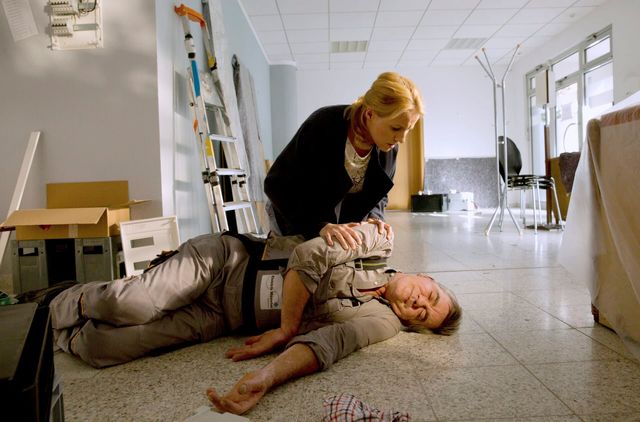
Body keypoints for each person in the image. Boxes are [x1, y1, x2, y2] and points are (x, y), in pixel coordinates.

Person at [46, 222, 461, 412]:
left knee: (105, 347)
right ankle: (59, 304)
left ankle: (69, 333)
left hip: (222, 317)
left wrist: (265, 378)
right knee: (131, 305)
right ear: (427, 277)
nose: (419, 304)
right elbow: (309, 255)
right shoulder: (380, 241)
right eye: (430, 295)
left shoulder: (382, 322)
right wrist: (287, 327)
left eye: (423, 315)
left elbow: (328, 344)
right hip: (225, 261)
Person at [264, 72, 424, 249]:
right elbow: (276, 185)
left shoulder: (389, 147)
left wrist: (375, 217)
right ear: (370, 113)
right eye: (396, 128)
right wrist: (318, 225)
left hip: (338, 225)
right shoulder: (322, 125)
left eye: (408, 129)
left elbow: (380, 194)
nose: (401, 138)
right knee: (298, 261)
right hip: (294, 215)